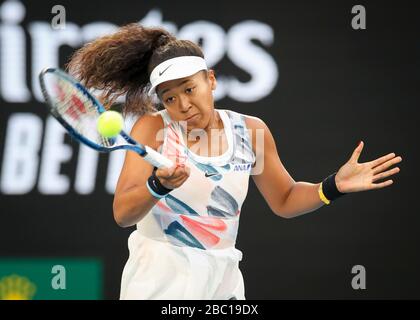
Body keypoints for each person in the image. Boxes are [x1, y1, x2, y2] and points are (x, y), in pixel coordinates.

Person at [67, 23, 402, 300]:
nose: (182, 104)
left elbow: (284, 199)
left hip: (223, 284)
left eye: (189, 89)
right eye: (169, 97)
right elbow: (123, 213)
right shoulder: (153, 128)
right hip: (159, 282)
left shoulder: (251, 131)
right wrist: (158, 186)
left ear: (210, 80)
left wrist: (333, 186)